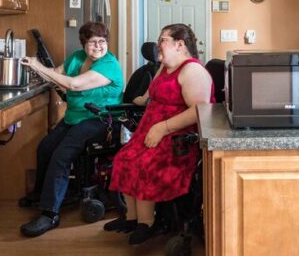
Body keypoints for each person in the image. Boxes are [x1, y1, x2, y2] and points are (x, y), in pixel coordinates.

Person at [106, 23, 214, 246]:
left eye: (163, 40)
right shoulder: (164, 67)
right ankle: (131, 218)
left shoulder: (193, 71)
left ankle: (147, 223)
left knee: (144, 165)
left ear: (180, 44)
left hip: (176, 137)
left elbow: (198, 110)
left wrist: (162, 128)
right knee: (124, 159)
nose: (158, 45)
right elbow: (150, 94)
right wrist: (138, 101)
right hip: (151, 130)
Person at [17, 21, 123, 238]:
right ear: (83, 44)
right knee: (45, 148)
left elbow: (74, 84)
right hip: (75, 117)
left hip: (100, 119)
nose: (98, 46)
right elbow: (54, 74)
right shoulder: (77, 57)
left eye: (102, 41)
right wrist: (34, 69)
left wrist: (38, 66)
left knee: (61, 156)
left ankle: (50, 213)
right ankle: (41, 194)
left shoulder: (109, 65)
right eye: (92, 42)